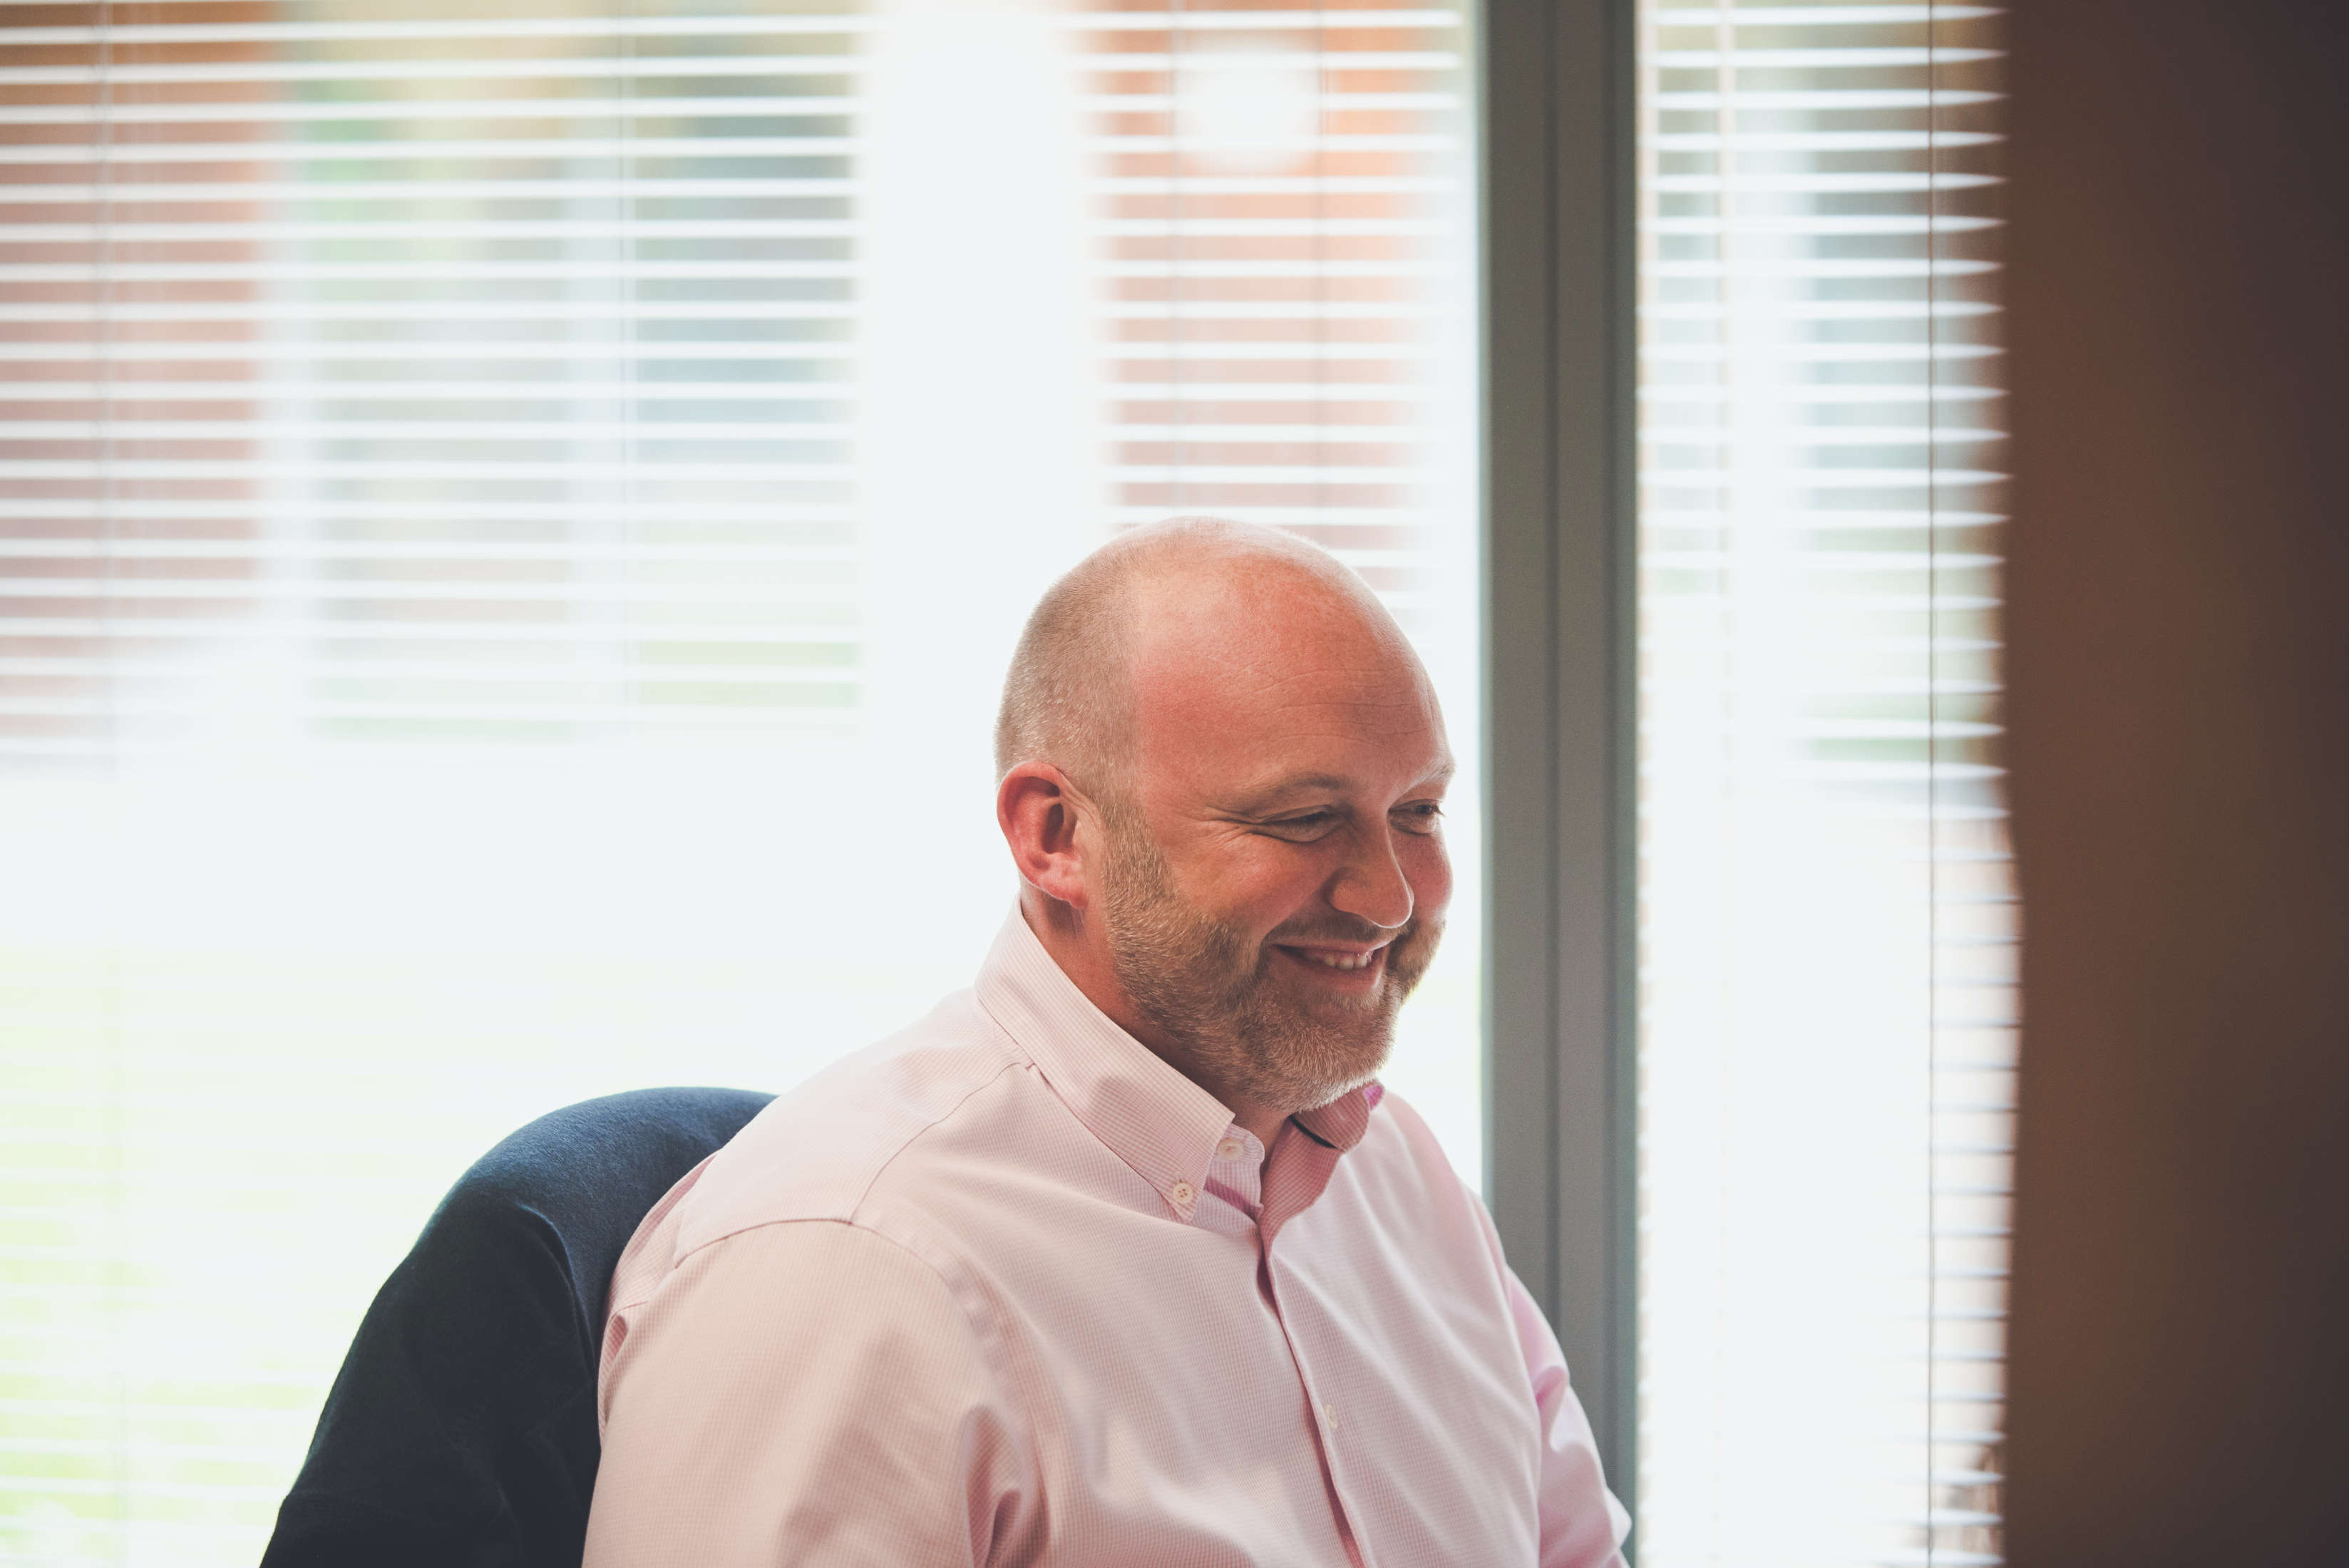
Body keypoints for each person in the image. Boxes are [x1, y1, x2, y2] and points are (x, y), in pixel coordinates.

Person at [582, 518, 1631, 1567]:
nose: (1392, 897)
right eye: (1306, 819)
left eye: (1419, 810)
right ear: (1057, 836)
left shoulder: (1396, 1174)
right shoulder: (843, 1268)